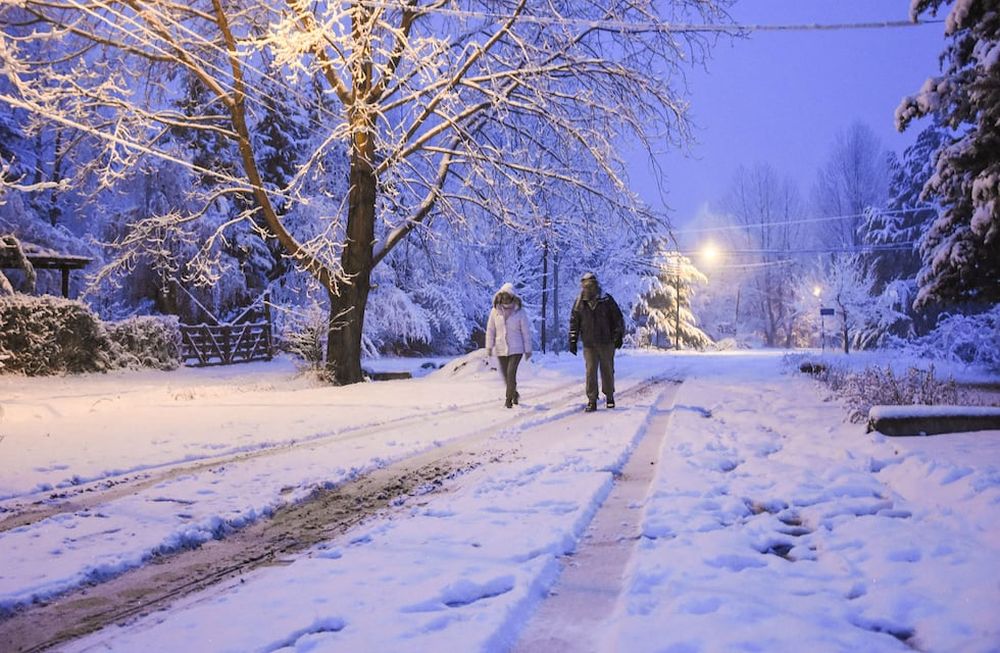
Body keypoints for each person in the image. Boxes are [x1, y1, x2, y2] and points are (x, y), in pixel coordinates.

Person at [568, 272, 624, 412]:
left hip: (606, 342)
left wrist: (618, 335)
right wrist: (573, 339)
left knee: (607, 371)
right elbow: (574, 322)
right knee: (590, 372)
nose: (588, 288)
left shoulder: (606, 300)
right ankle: (592, 400)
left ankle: (609, 396)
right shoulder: (579, 302)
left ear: (595, 284)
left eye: (590, 285)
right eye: (585, 286)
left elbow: (617, 318)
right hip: (589, 343)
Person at [485, 282, 532, 408]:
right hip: (501, 349)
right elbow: (490, 330)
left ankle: (508, 399)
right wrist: (489, 346)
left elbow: (526, 332)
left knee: (511, 373)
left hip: (516, 349)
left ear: (512, 297)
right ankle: (514, 393)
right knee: (506, 376)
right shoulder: (495, 312)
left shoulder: (520, 312)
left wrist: (528, 349)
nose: (504, 299)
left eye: (507, 296)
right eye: (503, 296)